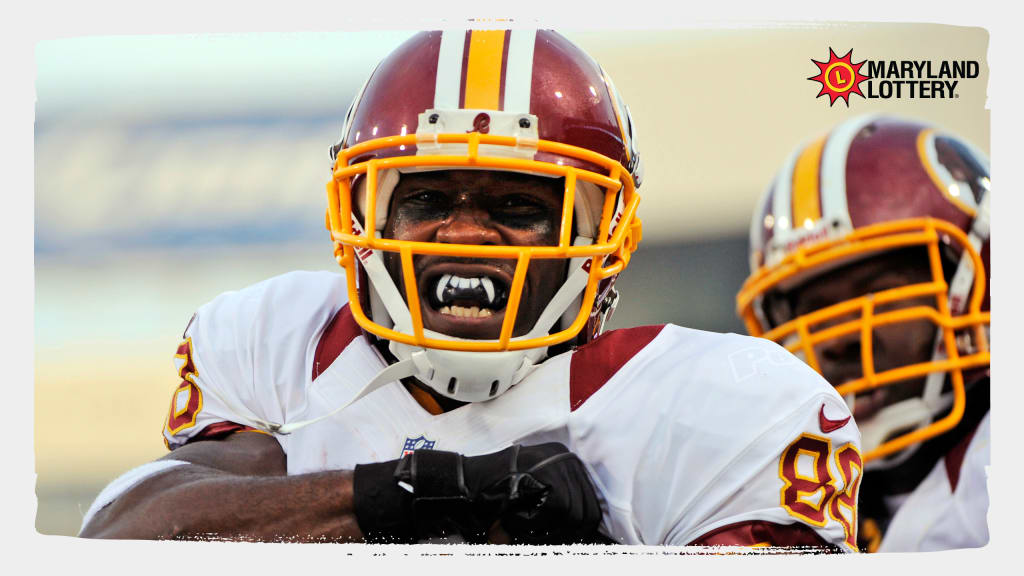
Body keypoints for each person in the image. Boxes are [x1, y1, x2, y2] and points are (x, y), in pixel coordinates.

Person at [79, 30, 861, 549]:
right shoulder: (275, 340)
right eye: (427, 200)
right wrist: (416, 495)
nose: (464, 235)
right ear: (362, 211)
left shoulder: (733, 407)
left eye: (515, 205)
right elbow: (126, 540)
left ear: (601, 234)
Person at [735, 115, 990, 552]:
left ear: (974, 287)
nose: (837, 340)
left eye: (881, 292)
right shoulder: (783, 501)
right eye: (814, 311)